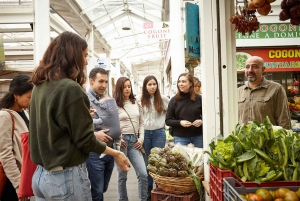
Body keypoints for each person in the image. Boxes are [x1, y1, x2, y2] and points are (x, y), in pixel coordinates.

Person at [28, 31, 130, 201]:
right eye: (84, 55)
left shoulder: (40, 86)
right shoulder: (70, 88)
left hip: (40, 176)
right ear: (72, 56)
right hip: (65, 178)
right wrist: (116, 153)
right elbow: (85, 140)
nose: (86, 61)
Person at [86, 67, 121, 201]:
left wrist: (117, 131)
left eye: (106, 82)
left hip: (110, 150)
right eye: (100, 81)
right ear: (91, 81)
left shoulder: (105, 98)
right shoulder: (84, 99)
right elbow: (76, 127)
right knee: (97, 192)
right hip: (94, 153)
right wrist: (94, 135)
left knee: (103, 187)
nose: (104, 85)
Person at [114, 77, 148, 201]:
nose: (127, 89)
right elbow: (111, 125)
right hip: (120, 143)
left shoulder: (136, 102)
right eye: (124, 87)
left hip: (134, 141)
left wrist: (141, 139)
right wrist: (118, 138)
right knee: (122, 175)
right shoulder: (114, 104)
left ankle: (143, 199)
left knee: (143, 174)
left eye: (129, 86)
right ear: (119, 88)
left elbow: (141, 123)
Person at [0, 74, 33, 201]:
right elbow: (5, 154)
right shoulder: (5, 116)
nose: (31, 101)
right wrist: (19, 185)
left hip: (25, 178)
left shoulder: (24, 113)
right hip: (12, 181)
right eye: (29, 97)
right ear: (16, 95)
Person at [136, 75, 169, 201]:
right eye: (149, 84)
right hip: (144, 135)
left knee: (159, 162)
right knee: (147, 163)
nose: (152, 87)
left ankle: (159, 188)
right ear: (145, 86)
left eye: (154, 84)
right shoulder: (139, 99)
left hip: (159, 133)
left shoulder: (164, 99)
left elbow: (171, 114)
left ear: (157, 85)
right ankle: (149, 191)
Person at [237, 56, 291, 129]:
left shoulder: (276, 89)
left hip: (267, 139)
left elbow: (284, 119)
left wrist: (285, 138)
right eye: (247, 67)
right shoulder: (238, 91)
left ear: (262, 69)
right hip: (243, 139)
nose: (250, 70)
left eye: (254, 67)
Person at [165, 73, 203, 148]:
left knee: (200, 158)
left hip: (198, 136)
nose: (180, 84)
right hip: (180, 137)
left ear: (191, 84)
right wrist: (180, 122)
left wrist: (202, 121)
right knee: (182, 159)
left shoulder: (199, 99)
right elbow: (168, 120)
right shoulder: (174, 100)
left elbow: (207, 116)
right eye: (179, 82)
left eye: (183, 81)